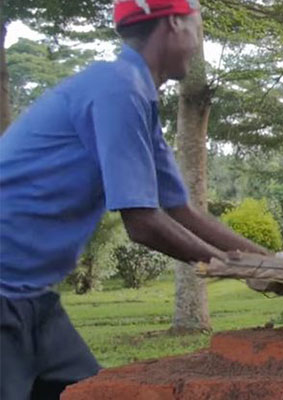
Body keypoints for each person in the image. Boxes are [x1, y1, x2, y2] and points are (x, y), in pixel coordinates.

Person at [0, 1, 269, 398]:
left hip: (33, 298)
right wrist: (241, 270)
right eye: (199, 27)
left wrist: (269, 264)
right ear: (176, 23)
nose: (198, 42)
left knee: (92, 391)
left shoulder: (137, 95)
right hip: (5, 296)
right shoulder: (118, 89)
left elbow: (180, 211)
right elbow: (143, 222)